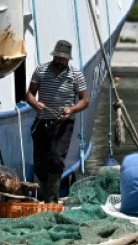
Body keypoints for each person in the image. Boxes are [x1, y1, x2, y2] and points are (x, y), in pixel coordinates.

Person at [25, 39, 89, 203]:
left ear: (68, 59)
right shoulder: (41, 70)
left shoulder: (76, 75)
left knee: (55, 158)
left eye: (63, 58)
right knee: (40, 162)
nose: (60, 61)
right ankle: (45, 196)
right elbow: (30, 94)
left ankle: (52, 200)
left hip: (63, 123)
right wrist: (35, 103)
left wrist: (72, 110)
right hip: (42, 121)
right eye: (58, 57)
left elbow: (84, 100)